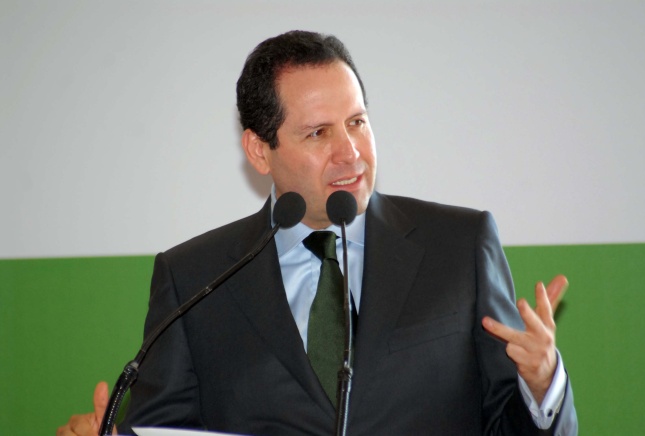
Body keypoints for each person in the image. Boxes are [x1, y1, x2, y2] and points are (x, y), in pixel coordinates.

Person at [58, 30, 577, 435]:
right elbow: (166, 430)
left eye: (357, 122)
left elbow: (507, 423)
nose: (350, 153)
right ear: (260, 150)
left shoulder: (458, 246)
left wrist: (542, 386)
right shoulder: (194, 279)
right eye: (318, 133)